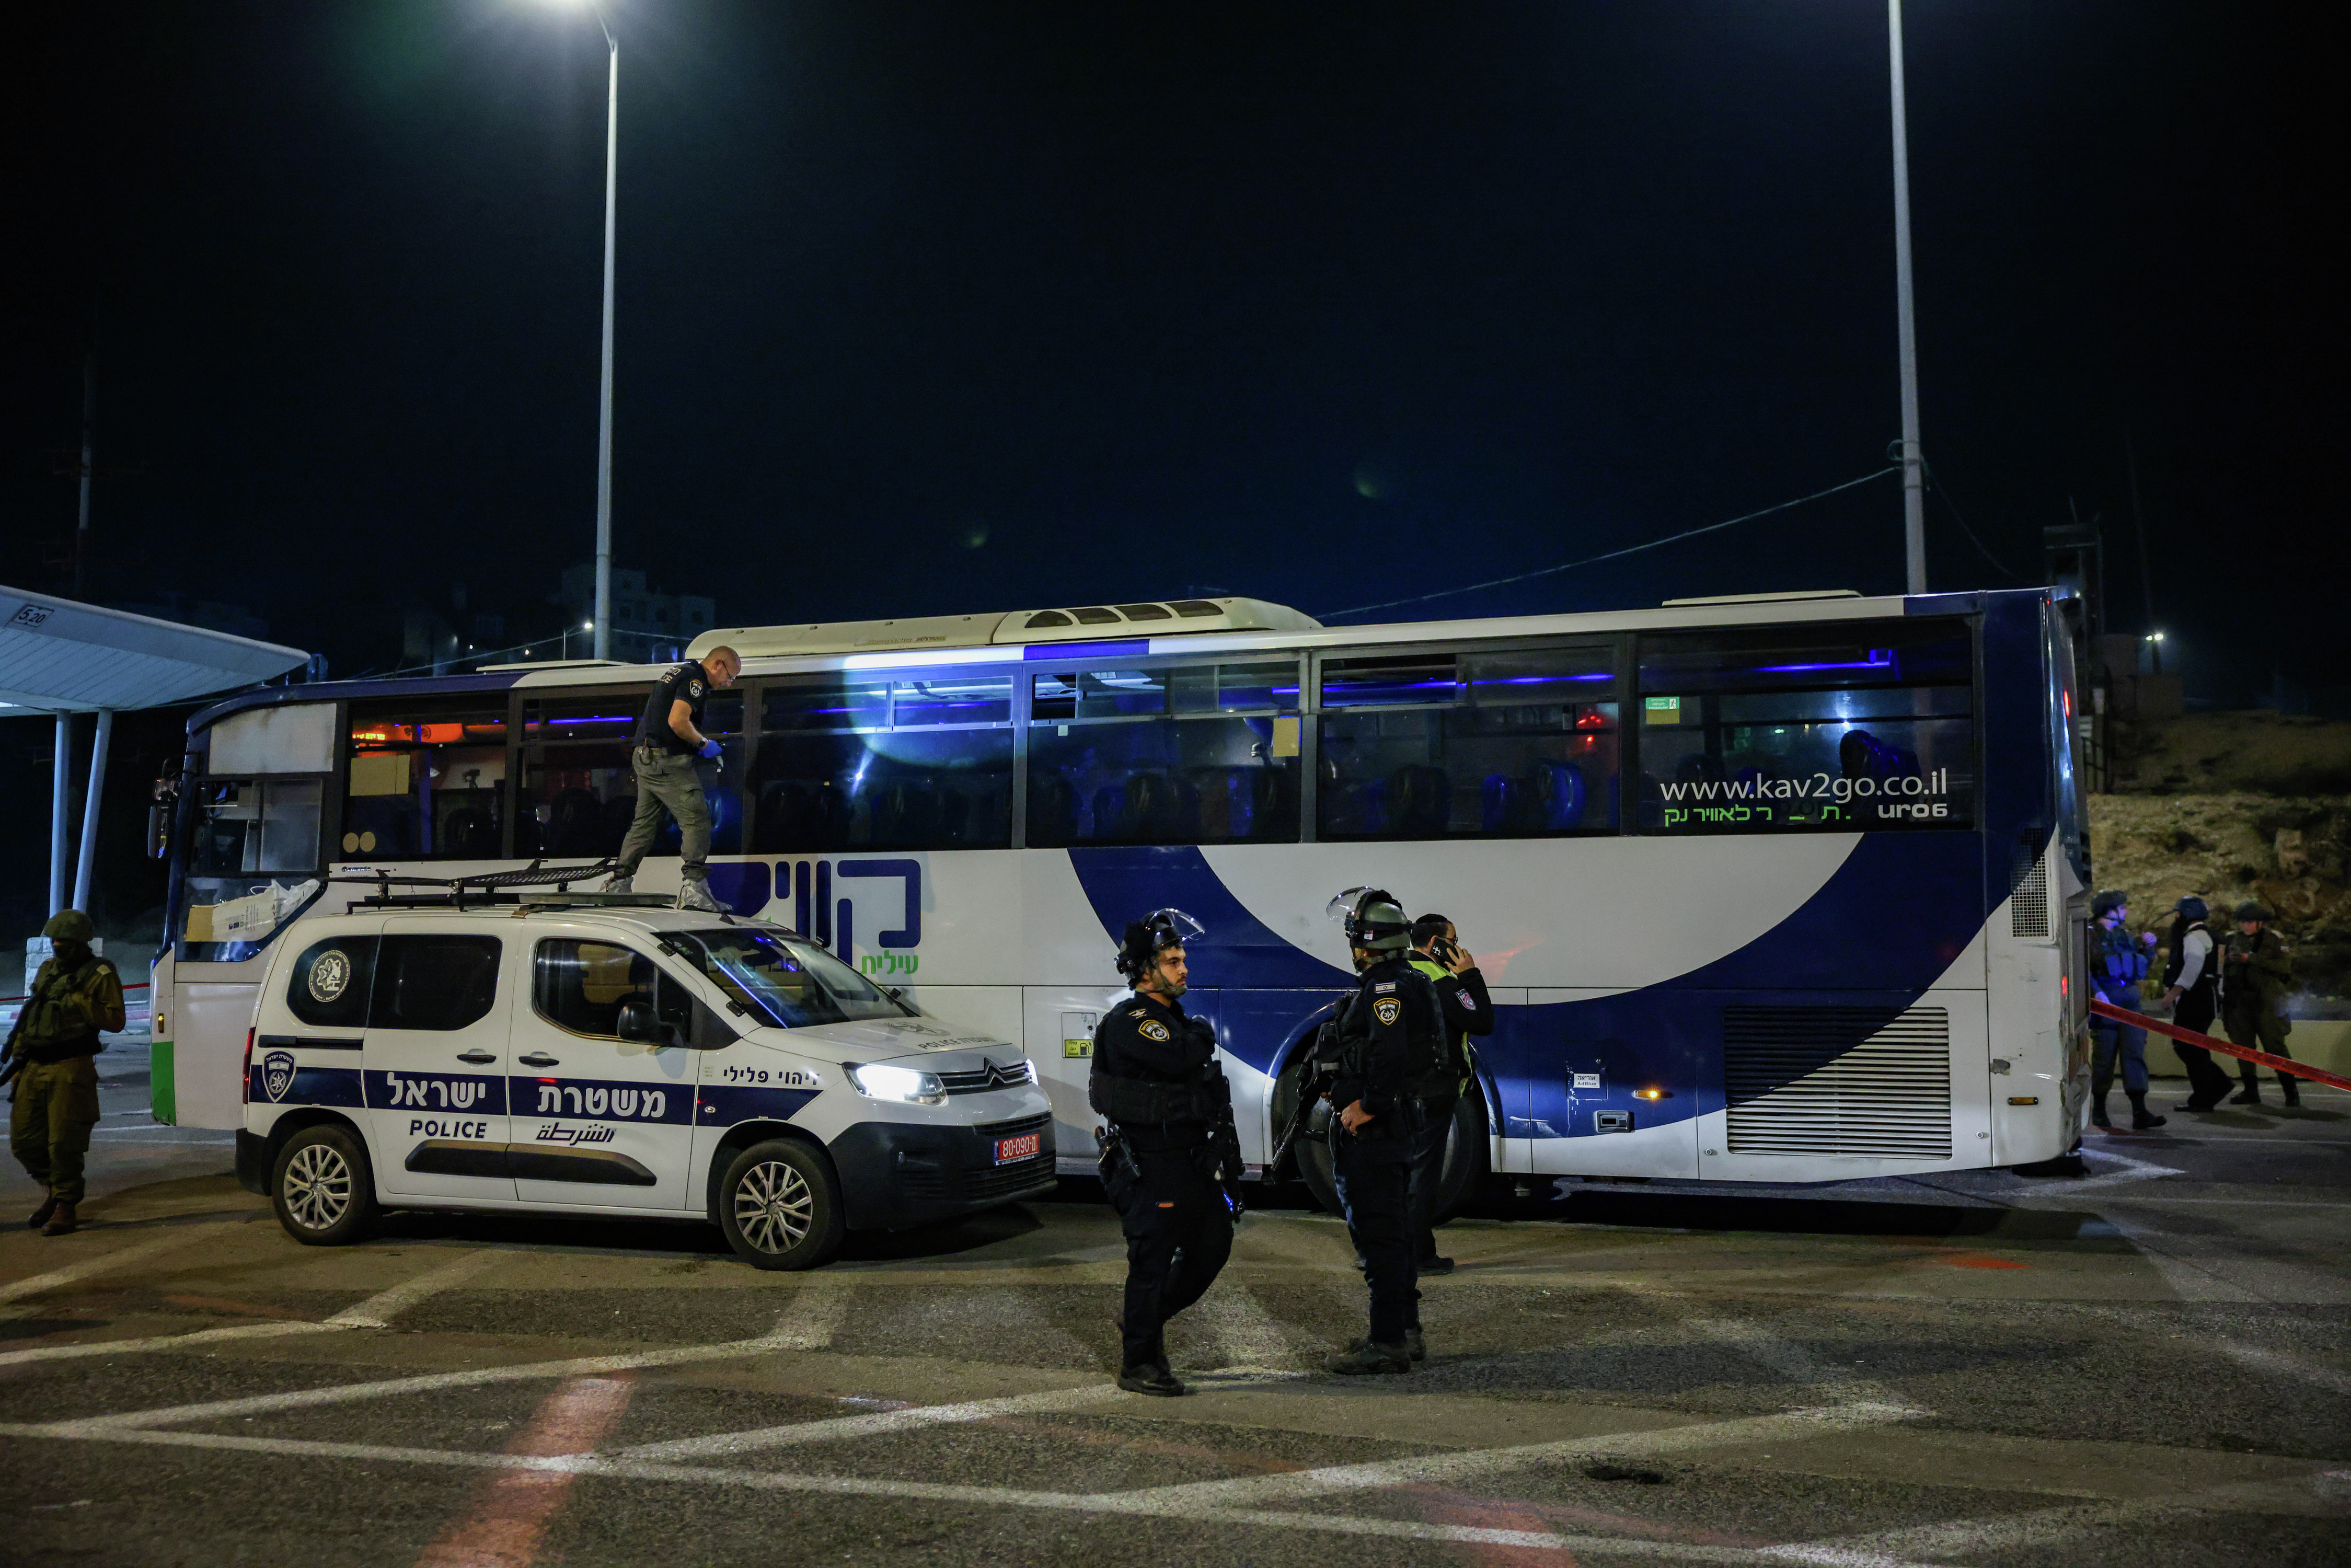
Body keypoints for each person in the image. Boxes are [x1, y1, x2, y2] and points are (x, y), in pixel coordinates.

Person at [1088, 908, 1236, 1397]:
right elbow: (1180, 1054)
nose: (1183, 968)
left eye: (1182, 958)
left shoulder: (1172, 1018)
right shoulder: (1130, 1020)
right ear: (1145, 970)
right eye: (1172, 961)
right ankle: (1140, 1363)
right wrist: (1197, 1035)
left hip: (1189, 1163)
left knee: (1212, 1247)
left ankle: (1143, 1319)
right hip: (1151, 1165)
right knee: (1150, 1263)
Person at [1321, 888, 1446, 1375]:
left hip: (1378, 1134)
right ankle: (1405, 1330)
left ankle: (1387, 1341)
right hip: (1399, 1128)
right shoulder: (1411, 981)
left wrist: (1366, 1107)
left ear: (1365, 942)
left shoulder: (1386, 989)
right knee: (1394, 1232)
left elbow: (1389, 1056)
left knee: (1379, 1236)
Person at [2, 910, 124, 1236]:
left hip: (71, 1068)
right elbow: (32, 1018)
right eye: (54, 938)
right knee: (23, 1142)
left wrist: (82, 1001)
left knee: (64, 1144)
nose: (56, 944)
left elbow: (115, 1021)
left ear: (80, 942)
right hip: (33, 1066)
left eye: (63, 940)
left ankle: (66, 1207)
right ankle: (55, 1192)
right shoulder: (47, 970)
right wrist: (17, 1064)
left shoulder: (100, 973)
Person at [608, 645, 740, 912]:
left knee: (645, 823)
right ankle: (694, 889)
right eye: (730, 677)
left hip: (646, 756)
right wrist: (704, 744)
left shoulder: (679, 671)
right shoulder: (695, 680)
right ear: (717, 664)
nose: (728, 683)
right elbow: (678, 721)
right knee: (698, 817)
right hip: (667, 759)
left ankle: (618, 884)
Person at [1404, 913, 1492, 1275]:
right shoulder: (1442, 980)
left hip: (1403, 1091)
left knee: (1401, 1173)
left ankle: (1393, 1251)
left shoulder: (1398, 973)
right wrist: (1470, 974)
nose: (1457, 946)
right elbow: (1482, 1021)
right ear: (1435, 943)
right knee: (1423, 1177)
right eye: (1453, 940)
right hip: (1434, 1090)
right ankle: (1418, 1256)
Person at [2087, 891, 2163, 1130]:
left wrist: (2149, 948)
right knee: (2104, 1059)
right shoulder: (2089, 936)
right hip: (2106, 1003)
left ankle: (2140, 1112)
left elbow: (2140, 966)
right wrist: (2097, 993)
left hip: (2130, 1002)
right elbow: (2082, 967)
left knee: (2134, 1055)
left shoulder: (2125, 935)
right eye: (2122, 908)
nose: (2126, 911)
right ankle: (2099, 1110)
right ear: (2109, 912)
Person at [2158, 896, 2234, 1113]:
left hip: (2195, 999)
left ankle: (2212, 1089)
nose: (2176, 918)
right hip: (2207, 998)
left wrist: (2172, 994)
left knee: (2186, 1046)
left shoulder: (2194, 937)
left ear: (2185, 915)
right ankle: (2208, 1091)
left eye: (2178, 913)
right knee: (2195, 1047)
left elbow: (2192, 968)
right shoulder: (2211, 936)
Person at [2219, 900, 2298, 1108]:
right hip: (2238, 1002)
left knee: (2275, 1047)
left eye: (2249, 922)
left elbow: (2283, 967)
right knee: (2243, 1048)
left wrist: (2251, 960)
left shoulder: (2273, 940)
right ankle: (2250, 1091)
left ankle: (2291, 1093)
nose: (2245, 926)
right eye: (2242, 922)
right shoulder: (2231, 939)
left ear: (2260, 923)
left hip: (2267, 1003)